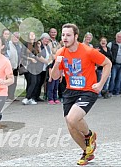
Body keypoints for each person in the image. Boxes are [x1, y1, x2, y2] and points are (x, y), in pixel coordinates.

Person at [51, 23, 112, 165]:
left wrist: (101, 84)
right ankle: (87, 151)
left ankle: (89, 135)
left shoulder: (88, 51)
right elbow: (54, 77)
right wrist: (56, 64)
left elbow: (107, 63)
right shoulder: (60, 53)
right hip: (70, 91)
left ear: (76, 36)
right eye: (63, 34)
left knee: (73, 118)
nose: (65, 38)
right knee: (70, 125)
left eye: (68, 35)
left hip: (88, 90)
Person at [107, 31, 121, 95]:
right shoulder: (111, 44)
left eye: (120, 37)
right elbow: (107, 53)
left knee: (119, 78)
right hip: (114, 64)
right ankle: (110, 91)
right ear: (116, 37)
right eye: (118, 36)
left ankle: (117, 91)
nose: (119, 38)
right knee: (112, 78)